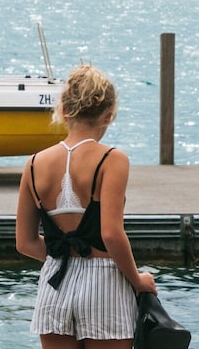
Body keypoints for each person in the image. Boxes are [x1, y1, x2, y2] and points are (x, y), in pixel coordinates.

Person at [15, 64, 155, 349]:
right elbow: (111, 235)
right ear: (108, 114)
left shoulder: (33, 164)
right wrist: (137, 280)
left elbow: (25, 243)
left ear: (64, 111)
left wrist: (66, 258)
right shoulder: (112, 160)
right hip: (105, 284)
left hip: (55, 283)